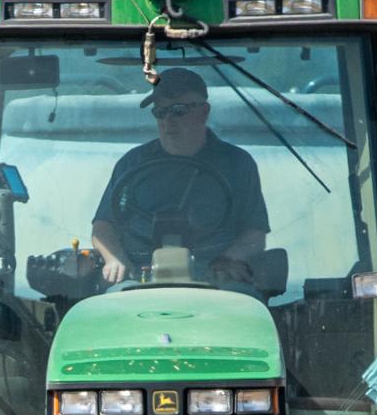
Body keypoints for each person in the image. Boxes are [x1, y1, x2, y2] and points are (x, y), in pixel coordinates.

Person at [91, 67, 271, 285]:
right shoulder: (132, 163)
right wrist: (115, 259)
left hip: (216, 278)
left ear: (204, 112)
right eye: (161, 112)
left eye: (179, 110)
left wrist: (229, 259)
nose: (169, 120)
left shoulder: (237, 163)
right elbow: (103, 225)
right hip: (139, 276)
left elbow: (255, 232)